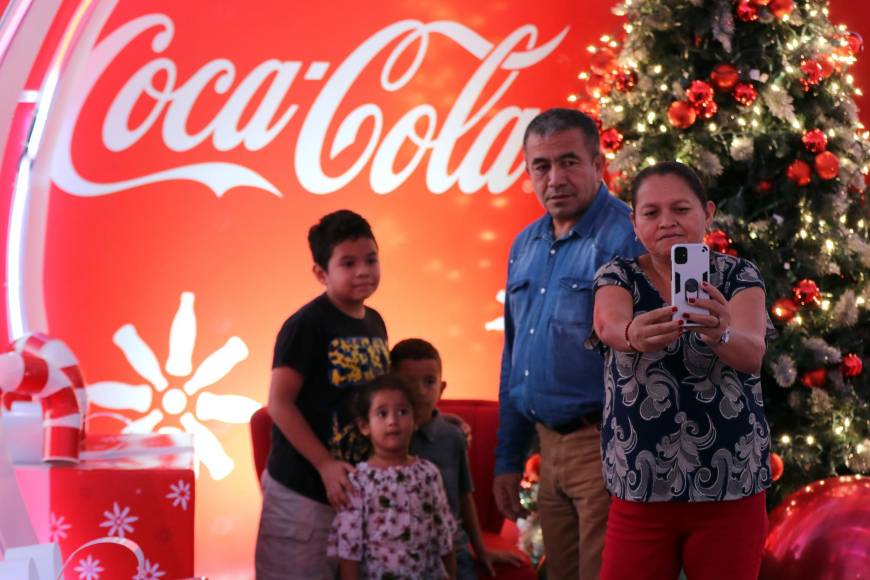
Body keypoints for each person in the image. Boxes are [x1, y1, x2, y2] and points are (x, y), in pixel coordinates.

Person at [592, 161, 772, 580]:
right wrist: (633, 332)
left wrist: (721, 333)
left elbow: (752, 354)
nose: (667, 222)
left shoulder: (739, 275)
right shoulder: (617, 274)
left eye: (681, 209)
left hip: (731, 490)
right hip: (640, 488)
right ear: (634, 222)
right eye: (651, 213)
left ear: (707, 213)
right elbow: (607, 325)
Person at [494, 107, 645, 580]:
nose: (555, 177)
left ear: (598, 165)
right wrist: (507, 457)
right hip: (546, 451)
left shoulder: (627, 235)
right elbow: (514, 357)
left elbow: (650, 354)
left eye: (569, 161)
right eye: (541, 166)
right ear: (528, 172)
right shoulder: (525, 244)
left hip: (605, 445)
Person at [255, 210, 391, 580]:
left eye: (371, 259)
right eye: (348, 263)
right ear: (321, 273)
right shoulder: (307, 325)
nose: (363, 270)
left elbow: (383, 399)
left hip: (354, 492)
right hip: (302, 494)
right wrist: (324, 465)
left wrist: (435, 417)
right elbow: (279, 404)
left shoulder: (375, 323)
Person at [391, 338, 527, 579]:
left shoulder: (452, 437)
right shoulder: (387, 438)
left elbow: (464, 496)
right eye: (409, 383)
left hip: (452, 552)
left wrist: (481, 549)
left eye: (429, 382)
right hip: (400, 554)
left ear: (442, 388)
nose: (421, 391)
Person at [329, 373, 457, 579]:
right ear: (364, 426)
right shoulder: (357, 481)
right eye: (382, 413)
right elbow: (349, 550)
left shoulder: (429, 474)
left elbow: (444, 536)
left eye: (402, 412)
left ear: (415, 420)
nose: (392, 421)